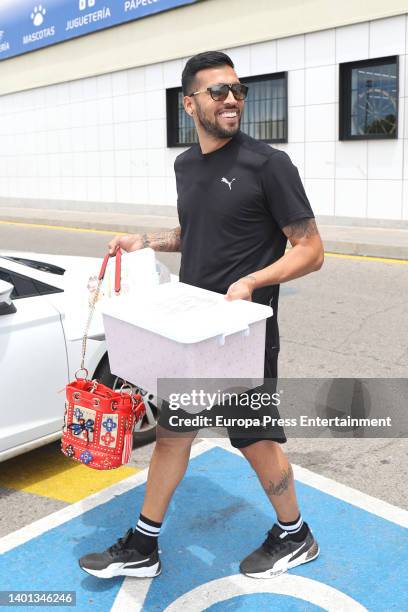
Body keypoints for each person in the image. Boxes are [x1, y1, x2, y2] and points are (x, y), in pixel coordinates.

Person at [79, 51, 324, 580]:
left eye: (238, 90)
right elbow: (198, 232)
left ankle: (295, 534)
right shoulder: (185, 165)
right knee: (172, 433)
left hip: (239, 333)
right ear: (189, 103)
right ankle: (144, 543)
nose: (232, 99)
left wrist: (254, 281)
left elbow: (310, 249)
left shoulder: (268, 164)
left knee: (254, 438)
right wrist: (142, 241)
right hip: (189, 331)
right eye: (218, 92)